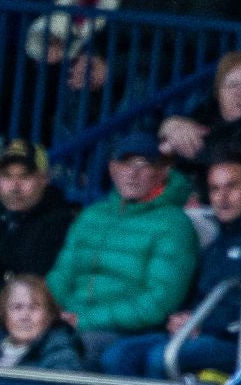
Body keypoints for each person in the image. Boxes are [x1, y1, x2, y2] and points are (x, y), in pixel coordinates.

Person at [100, 156, 241, 379]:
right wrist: (178, 318)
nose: (222, 197)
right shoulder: (217, 241)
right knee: (117, 355)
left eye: (232, 187)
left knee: (160, 358)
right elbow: (192, 298)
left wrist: (204, 324)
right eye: (214, 189)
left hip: (240, 343)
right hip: (199, 333)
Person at [47, 132, 199, 359]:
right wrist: (48, 310)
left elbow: (158, 302)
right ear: (112, 169)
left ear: (162, 172)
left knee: (69, 349)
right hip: (72, 319)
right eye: (125, 163)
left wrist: (84, 319)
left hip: (128, 331)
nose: (132, 173)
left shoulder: (174, 225)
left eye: (143, 164)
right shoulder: (92, 215)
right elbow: (62, 274)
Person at [0, 139, 81, 317]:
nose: (15, 186)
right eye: (7, 176)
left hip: (25, 316)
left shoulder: (63, 223)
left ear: (44, 179)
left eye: (25, 176)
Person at [156, 50, 241, 182]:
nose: (240, 92)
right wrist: (170, 125)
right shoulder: (206, 114)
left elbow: (230, 156)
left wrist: (176, 145)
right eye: (232, 85)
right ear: (218, 92)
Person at [0, 274, 83, 370]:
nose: (25, 316)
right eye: (17, 307)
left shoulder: (62, 355)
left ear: (49, 316)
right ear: (4, 314)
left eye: (34, 308)